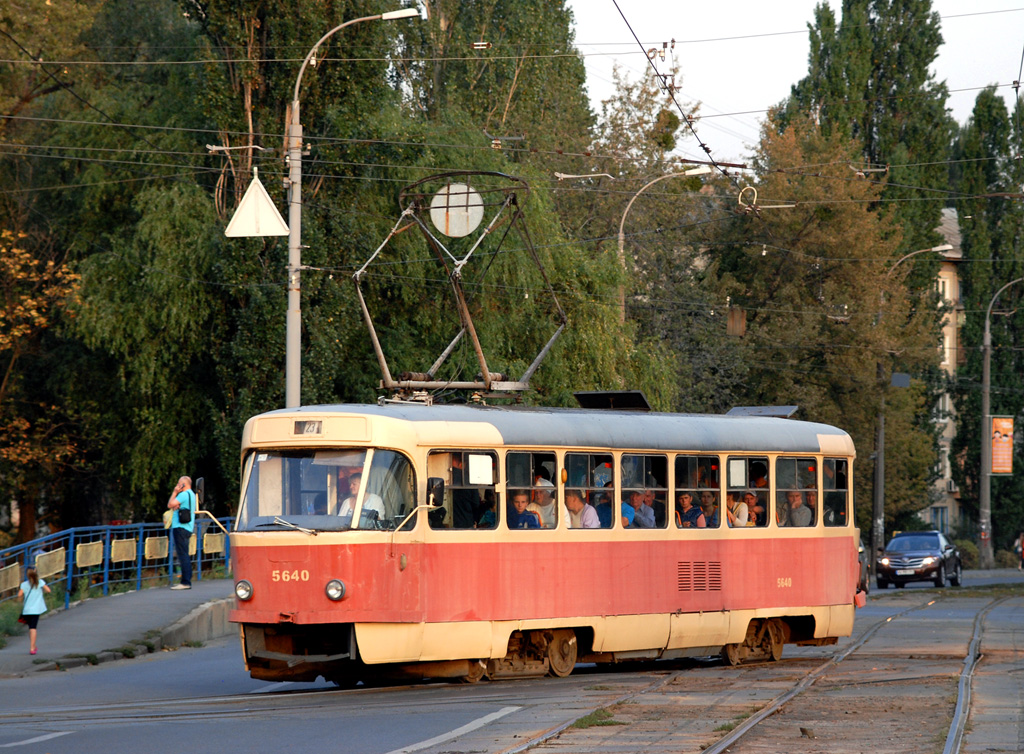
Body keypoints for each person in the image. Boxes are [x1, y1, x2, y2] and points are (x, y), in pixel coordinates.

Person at [167, 475, 196, 590]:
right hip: (188, 527)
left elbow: (170, 504)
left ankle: (185, 582)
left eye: (179, 484)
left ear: (183, 485)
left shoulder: (183, 495)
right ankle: (186, 580)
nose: (177, 486)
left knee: (182, 555)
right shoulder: (192, 495)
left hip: (180, 527)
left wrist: (174, 493)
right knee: (185, 554)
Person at [18, 566, 51, 655]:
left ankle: (33, 645)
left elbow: (19, 595)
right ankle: (32, 647)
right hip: (36, 609)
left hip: (27, 610)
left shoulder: (24, 584)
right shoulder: (40, 582)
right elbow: (48, 590)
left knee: (30, 628)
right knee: (33, 628)